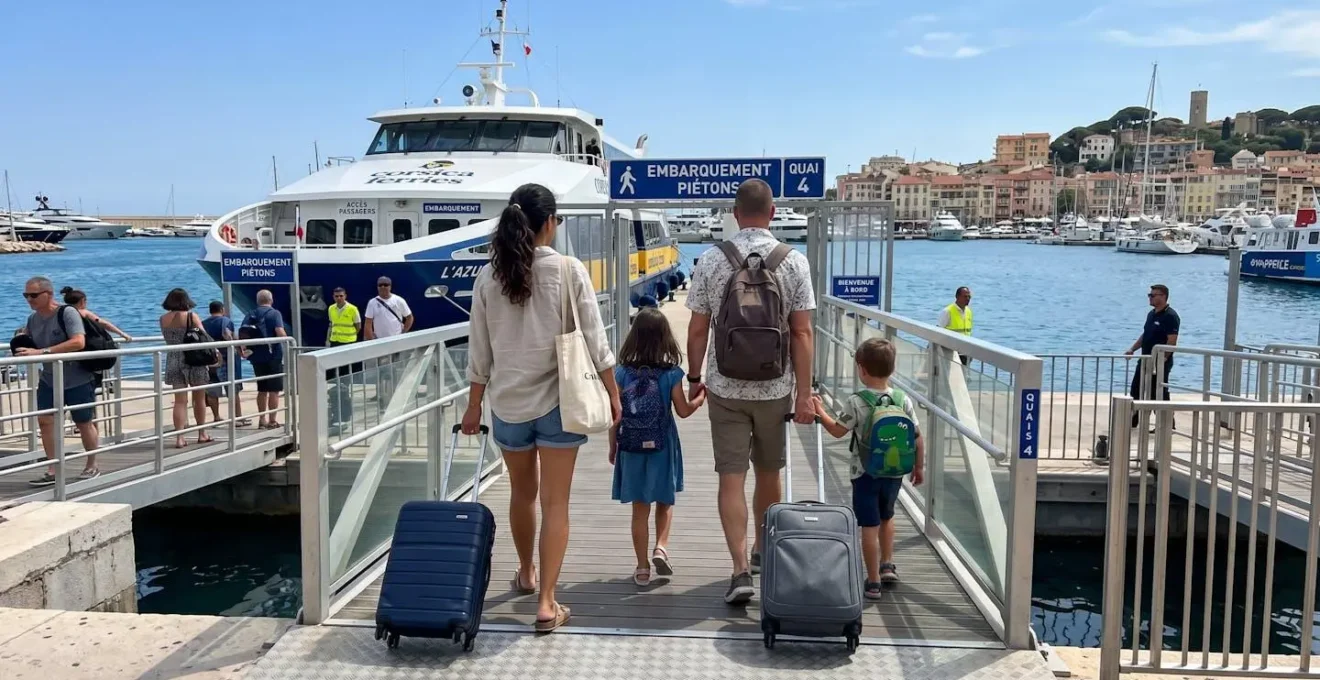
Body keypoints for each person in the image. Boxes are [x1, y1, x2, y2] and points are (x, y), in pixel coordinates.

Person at [463, 183, 621, 633]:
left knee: (521, 494)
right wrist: (613, 394)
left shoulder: (487, 278)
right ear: (549, 223)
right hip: (559, 402)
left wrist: (474, 406)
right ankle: (548, 603)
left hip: (508, 406)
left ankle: (527, 573)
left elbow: (480, 353)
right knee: (556, 503)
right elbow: (596, 340)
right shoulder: (569, 270)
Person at [684, 178, 817, 605]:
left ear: (735, 214)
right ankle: (764, 551)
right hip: (776, 387)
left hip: (724, 386)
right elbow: (802, 332)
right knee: (769, 474)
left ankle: (739, 569)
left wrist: (692, 378)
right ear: (773, 213)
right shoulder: (794, 261)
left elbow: (698, 326)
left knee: (731, 477)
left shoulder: (710, 260)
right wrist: (803, 394)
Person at [813, 338, 925, 600]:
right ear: (893, 369)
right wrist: (918, 466)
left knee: (868, 525)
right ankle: (888, 565)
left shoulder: (856, 401)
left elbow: (837, 431)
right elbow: (917, 436)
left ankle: (873, 580)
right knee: (887, 516)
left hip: (864, 473)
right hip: (895, 472)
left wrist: (820, 410)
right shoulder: (902, 399)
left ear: (861, 369)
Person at [608, 307, 705, 587]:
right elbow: (683, 411)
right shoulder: (671, 374)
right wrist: (699, 400)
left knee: (640, 508)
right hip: (662, 446)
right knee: (665, 500)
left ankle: (641, 568)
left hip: (631, 446)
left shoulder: (622, 374)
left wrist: (613, 445)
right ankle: (661, 546)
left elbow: (615, 415)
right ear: (665, 338)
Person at [19, 276, 100, 485]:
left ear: (49, 294)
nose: (30, 299)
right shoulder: (33, 319)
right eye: (26, 295)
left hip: (77, 378)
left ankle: (92, 464)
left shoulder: (67, 313)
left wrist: (42, 351)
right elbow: (31, 341)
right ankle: (54, 468)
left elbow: (78, 341)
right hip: (48, 378)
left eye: (34, 295)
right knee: (45, 421)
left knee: (83, 422)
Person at [160, 288, 213, 449]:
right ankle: (202, 433)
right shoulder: (191, 316)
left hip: (174, 359)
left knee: (180, 402)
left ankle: (180, 438)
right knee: (199, 400)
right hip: (194, 359)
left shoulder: (163, 319)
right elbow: (205, 337)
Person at [1125, 284, 1179, 428]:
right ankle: (1134, 418)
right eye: (1150, 295)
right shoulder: (1151, 314)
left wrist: (1164, 359)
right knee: (1136, 388)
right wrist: (1133, 349)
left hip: (1160, 362)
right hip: (1145, 359)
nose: (1150, 298)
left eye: (1153, 295)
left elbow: (1172, 341)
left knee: (1159, 392)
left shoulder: (1171, 316)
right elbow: (1146, 335)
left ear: (1163, 297)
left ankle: (1166, 423)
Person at [242, 290, 288, 430]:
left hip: (256, 356)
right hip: (273, 356)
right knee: (274, 390)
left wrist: (243, 351)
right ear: (271, 300)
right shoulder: (275, 314)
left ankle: (262, 419)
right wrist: (290, 342)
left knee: (262, 389)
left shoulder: (250, 314)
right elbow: (279, 332)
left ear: (258, 301)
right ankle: (272, 420)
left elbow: (243, 334)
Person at [202, 301, 249, 427]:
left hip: (211, 360)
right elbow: (230, 337)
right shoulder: (226, 321)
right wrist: (241, 351)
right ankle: (237, 417)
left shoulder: (203, 324)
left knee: (212, 389)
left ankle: (216, 417)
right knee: (233, 389)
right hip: (227, 359)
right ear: (222, 309)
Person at [326, 287, 361, 432]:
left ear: (345, 296)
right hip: (335, 342)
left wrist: (351, 336)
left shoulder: (353, 309)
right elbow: (331, 324)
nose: (338, 298)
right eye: (336, 296)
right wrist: (328, 340)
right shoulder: (331, 309)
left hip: (348, 343)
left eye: (341, 296)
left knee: (346, 375)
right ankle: (338, 392)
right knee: (335, 374)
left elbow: (358, 325)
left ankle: (344, 392)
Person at [61, 287, 132, 343]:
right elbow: (104, 323)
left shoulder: (61, 312)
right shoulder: (83, 312)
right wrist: (122, 334)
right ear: (82, 301)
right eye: (86, 300)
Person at [939, 286, 973, 366]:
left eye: (969, 296)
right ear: (957, 297)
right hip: (950, 352)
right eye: (965, 296)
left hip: (965, 351)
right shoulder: (947, 311)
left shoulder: (968, 311)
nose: (968, 299)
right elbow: (938, 331)